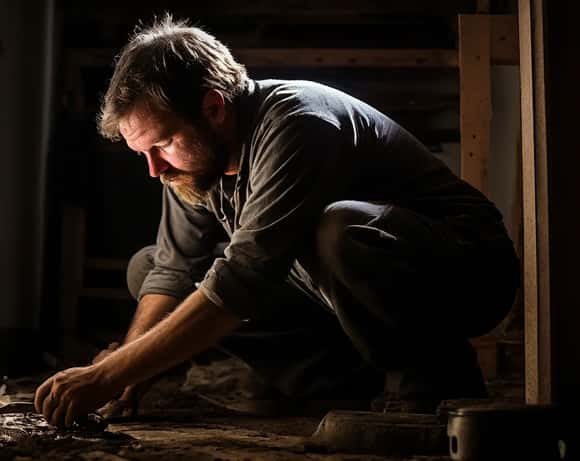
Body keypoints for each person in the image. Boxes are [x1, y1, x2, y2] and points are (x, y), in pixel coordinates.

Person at [34, 16, 520, 427]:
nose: (154, 169)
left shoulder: (296, 122)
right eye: (143, 153)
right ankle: (337, 387)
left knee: (339, 231)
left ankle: (433, 382)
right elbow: (172, 272)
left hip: (467, 270)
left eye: (161, 145)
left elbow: (243, 279)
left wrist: (106, 374)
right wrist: (129, 368)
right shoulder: (193, 166)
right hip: (342, 296)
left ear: (213, 107)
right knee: (147, 268)